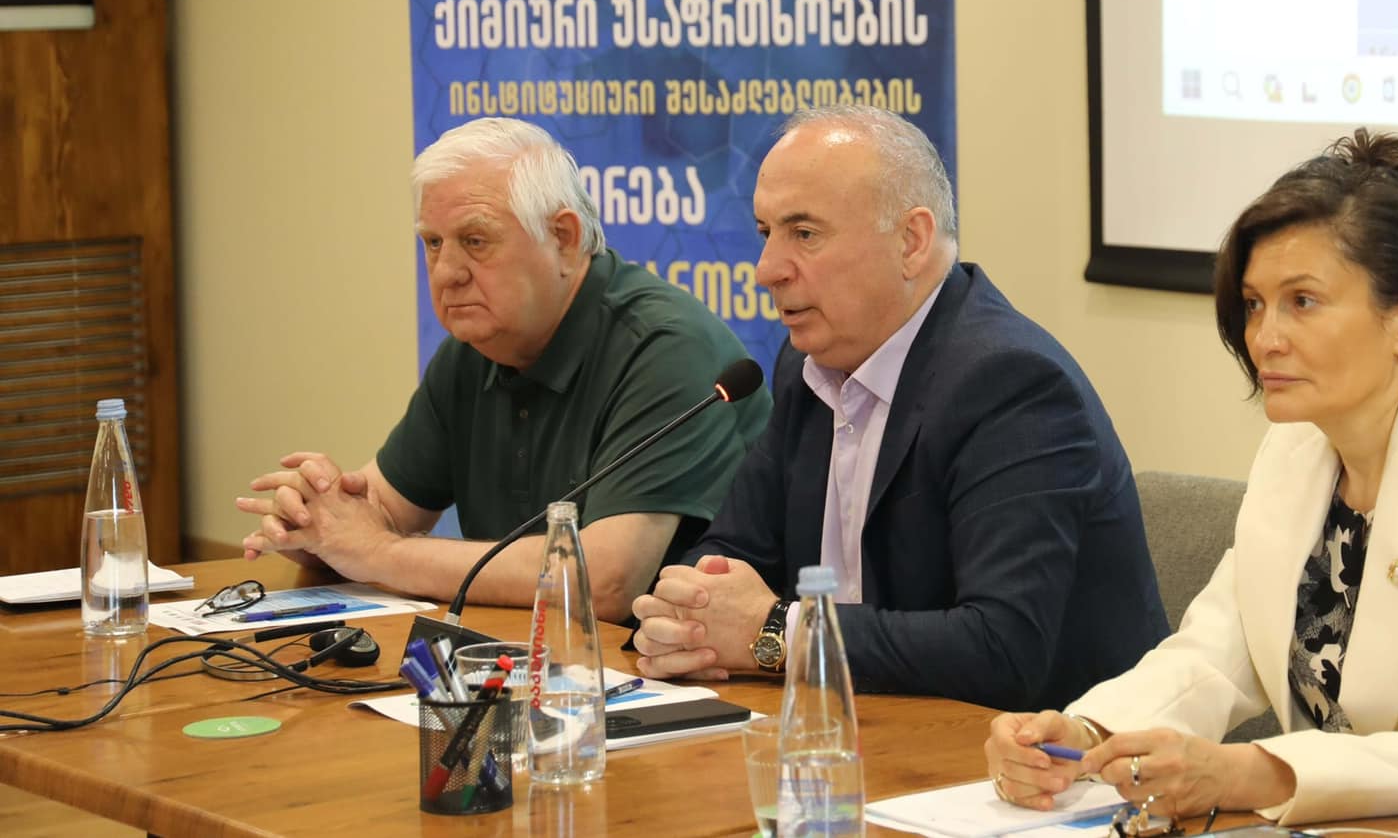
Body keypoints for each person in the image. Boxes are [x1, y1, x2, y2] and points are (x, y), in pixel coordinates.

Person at [984, 130, 1398, 838]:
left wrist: (1255, 771)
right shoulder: (1295, 449)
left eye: (1302, 301)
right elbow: (1216, 652)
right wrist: (1086, 734)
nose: (1265, 337)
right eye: (1253, 304)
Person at [629, 104, 1167, 710]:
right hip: (860, 728)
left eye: (804, 234)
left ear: (911, 241)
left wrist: (777, 632)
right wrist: (689, 614)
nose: (767, 270)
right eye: (765, 233)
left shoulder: (1012, 385)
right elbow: (733, 550)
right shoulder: (808, 365)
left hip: (1046, 751)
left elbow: (1002, 648)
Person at [235, 117, 771, 622]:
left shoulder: (666, 348)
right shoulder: (477, 347)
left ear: (563, 239)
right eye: (433, 243)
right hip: (518, 659)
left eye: (475, 241)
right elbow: (380, 512)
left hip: (678, 669)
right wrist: (314, 521)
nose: (447, 272)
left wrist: (374, 551)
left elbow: (605, 581)